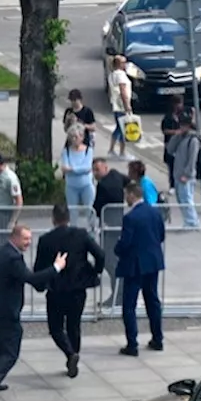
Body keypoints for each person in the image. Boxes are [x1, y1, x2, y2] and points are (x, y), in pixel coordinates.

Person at [0, 225, 65, 401]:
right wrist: (56, 268)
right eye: (25, 239)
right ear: (15, 237)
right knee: (10, 352)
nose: (29, 243)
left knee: (1, 347)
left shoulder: (5, 251)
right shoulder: (13, 258)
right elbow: (30, 278)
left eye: (30, 239)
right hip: (6, 312)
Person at [34, 203, 104, 378]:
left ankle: (69, 353)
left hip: (57, 289)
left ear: (53, 219)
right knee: (74, 325)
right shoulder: (81, 235)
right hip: (78, 288)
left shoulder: (46, 240)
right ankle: (74, 354)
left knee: (56, 327)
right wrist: (95, 271)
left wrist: (40, 284)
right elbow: (100, 254)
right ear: (68, 218)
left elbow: (39, 266)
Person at [115, 182, 165, 356]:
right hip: (152, 263)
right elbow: (161, 235)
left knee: (129, 305)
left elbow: (125, 242)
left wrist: (117, 249)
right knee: (153, 301)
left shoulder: (130, 218)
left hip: (134, 266)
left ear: (131, 195)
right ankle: (157, 338)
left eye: (126, 195)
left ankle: (132, 343)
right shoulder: (154, 212)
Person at [92, 158, 127, 307]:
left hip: (109, 225)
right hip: (117, 222)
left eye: (97, 170)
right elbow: (129, 181)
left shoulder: (103, 185)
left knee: (110, 261)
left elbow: (97, 206)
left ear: (105, 168)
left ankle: (118, 295)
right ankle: (118, 294)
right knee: (112, 261)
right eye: (93, 170)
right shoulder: (117, 175)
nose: (95, 173)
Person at [166, 113, 201, 229]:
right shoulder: (181, 137)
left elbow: (192, 159)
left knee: (186, 199)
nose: (182, 128)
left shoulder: (193, 140)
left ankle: (192, 221)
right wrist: (176, 136)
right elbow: (170, 150)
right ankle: (189, 220)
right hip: (178, 173)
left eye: (184, 125)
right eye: (181, 125)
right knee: (181, 199)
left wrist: (187, 174)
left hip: (185, 176)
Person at [59, 125, 95, 225]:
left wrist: (72, 169)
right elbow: (65, 168)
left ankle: (92, 230)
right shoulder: (66, 151)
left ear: (82, 137)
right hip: (71, 186)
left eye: (76, 137)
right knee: (72, 211)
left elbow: (87, 168)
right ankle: (73, 231)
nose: (74, 139)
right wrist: (78, 169)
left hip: (86, 185)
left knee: (89, 209)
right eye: (72, 137)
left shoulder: (88, 150)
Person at [107, 55, 134, 159]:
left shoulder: (112, 75)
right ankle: (121, 152)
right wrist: (127, 105)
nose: (125, 64)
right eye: (124, 62)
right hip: (122, 105)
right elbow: (123, 91)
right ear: (119, 64)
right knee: (123, 128)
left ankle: (112, 150)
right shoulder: (121, 75)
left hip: (116, 104)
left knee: (119, 127)